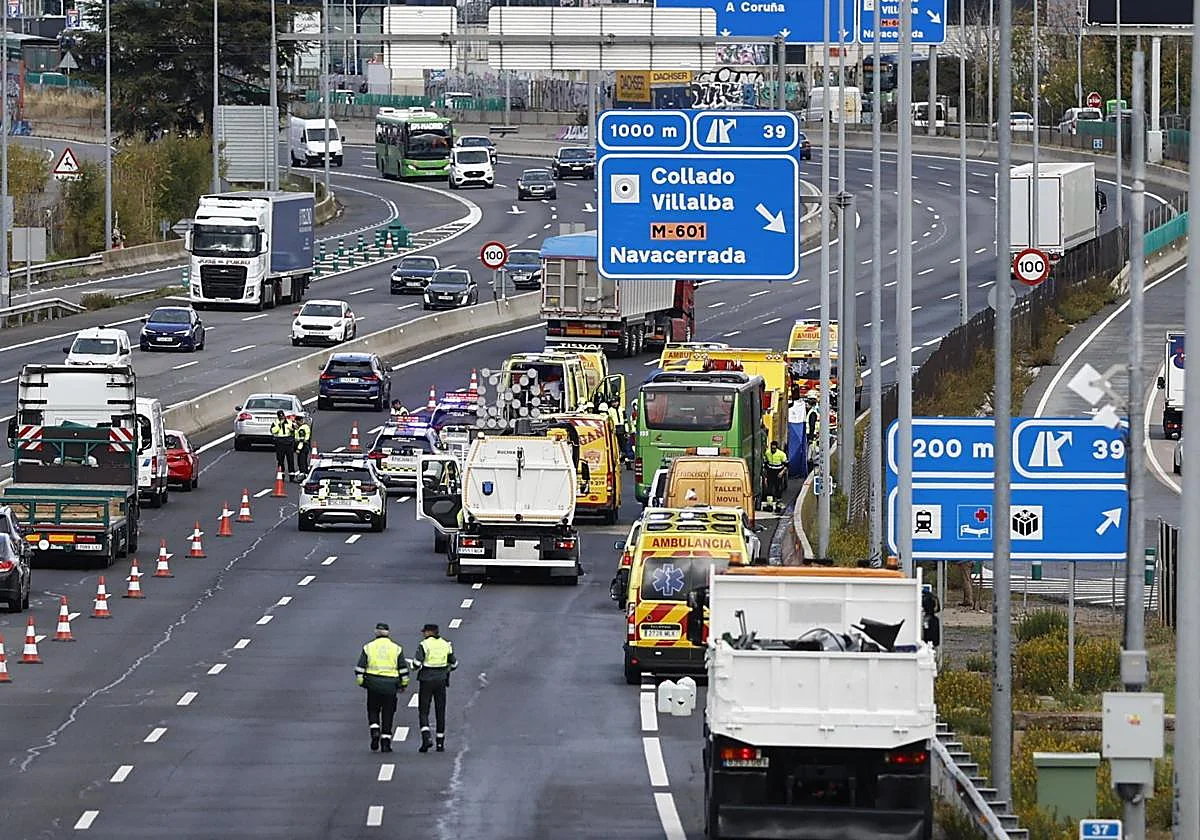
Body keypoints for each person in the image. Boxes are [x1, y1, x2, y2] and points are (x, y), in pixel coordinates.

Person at [354, 622, 409, 753]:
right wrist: (404, 684)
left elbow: (360, 667)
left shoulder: (368, 647)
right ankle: (386, 742)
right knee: (388, 712)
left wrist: (361, 681)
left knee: (373, 709)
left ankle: (374, 731)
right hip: (391, 685)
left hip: (373, 683)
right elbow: (403, 669)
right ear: (388, 633)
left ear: (376, 632)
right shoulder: (396, 648)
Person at [413, 622, 457, 753]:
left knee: (424, 710)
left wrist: (415, 666)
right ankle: (440, 743)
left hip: (426, 680)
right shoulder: (446, 644)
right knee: (440, 710)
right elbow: (454, 664)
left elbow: (416, 664)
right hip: (441, 680)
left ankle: (426, 737)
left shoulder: (424, 645)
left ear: (428, 632)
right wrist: (445, 670)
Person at [271, 410, 295, 478]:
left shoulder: (289, 422)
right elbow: (273, 431)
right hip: (280, 442)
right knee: (280, 459)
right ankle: (281, 474)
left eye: (283, 416)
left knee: (290, 459)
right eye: (280, 417)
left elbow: (294, 430)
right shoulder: (275, 423)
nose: (282, 418)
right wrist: (279, 425)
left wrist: (292, 430)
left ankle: (292, 475)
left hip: (288, 441)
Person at [764, 440, 788, 509]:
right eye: (772, 448)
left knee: (778, 488)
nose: (773, 450)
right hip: (770, 472)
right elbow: (765, 464)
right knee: (769, 489)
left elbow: (786, 465)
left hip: (778, 473)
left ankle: (778, 503)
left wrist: (782, 472)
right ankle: (769, 504)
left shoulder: (781, 454)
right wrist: (765, 475)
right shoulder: (767, 453)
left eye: (774, 448)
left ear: (777, 448)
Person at [293, 415, 312, 481]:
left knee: (301, 461)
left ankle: (303, 475)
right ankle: (306, 474)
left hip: (302, 446)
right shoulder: (305, 427)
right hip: (306, 446)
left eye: (296, 421)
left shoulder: (301, 429)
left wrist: (298, 449)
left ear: (299, 421)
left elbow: (301, 440)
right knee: (304, 461)